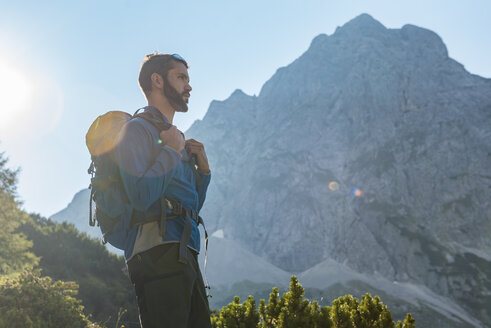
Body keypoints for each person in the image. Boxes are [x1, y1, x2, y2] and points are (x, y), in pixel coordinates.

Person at [115, 53, 212, 328]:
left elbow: (190, 207)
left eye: (188, 79)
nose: (189, 86)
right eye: (181, 77)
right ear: (157, 81)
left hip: (185, 251)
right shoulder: (136, 130)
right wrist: (170, 150)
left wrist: (203, 173)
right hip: (156, 252)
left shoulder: (174, 137)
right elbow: (140, 195)